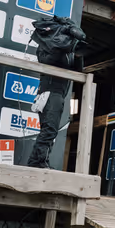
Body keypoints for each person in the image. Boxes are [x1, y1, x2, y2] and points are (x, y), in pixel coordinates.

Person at [27, 16, 87, 169]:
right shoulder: (48, 45)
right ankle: (36, 162)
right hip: (49, 92)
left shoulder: (67, 50)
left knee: (50, 131)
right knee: (49, 130)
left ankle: (41, 161)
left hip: (59, 94)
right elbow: (47, 60)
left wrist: (77, 55)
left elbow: (77, 72)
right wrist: (65, 46)